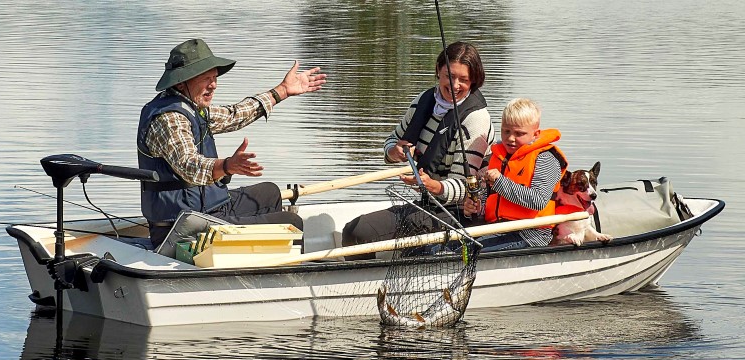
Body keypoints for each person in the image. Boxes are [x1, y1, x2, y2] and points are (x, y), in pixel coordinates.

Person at [137, 38, 327, 247]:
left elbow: (234, 115)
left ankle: (256, 261)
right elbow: (188, 165)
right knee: (291, 222)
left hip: (205, 210)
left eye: (215, 78)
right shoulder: (170, 119)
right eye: (206, 78)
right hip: (182, 227)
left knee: (269, 193)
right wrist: (227, 166)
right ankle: (286, 274)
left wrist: (282, 91)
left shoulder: (191, 107)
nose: (214, 85)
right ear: (182, 82)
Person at [341, 41, 493, 258]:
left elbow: (465, 188)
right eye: (448, 76)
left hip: (457, 213)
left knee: (363, 234)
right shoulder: (424, 100)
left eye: (464, 80)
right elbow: (393, 140)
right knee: (354, 231)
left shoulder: (476, 119)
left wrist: (433, 186)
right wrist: (394, 151)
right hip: (425, 204)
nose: (454, 84)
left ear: (474, 81)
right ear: (438, 71)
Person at [461, 98, 568, 252]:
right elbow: (489, 198)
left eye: (519, 133)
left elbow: (538, 201)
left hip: (530, 234)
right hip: (496, 229)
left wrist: (500, 181)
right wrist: (477, 208)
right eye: (506, 131)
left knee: (467, 251)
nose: (510, 138)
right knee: (442, 247)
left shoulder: (546, 159)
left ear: (535, 134)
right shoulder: (498, 157)